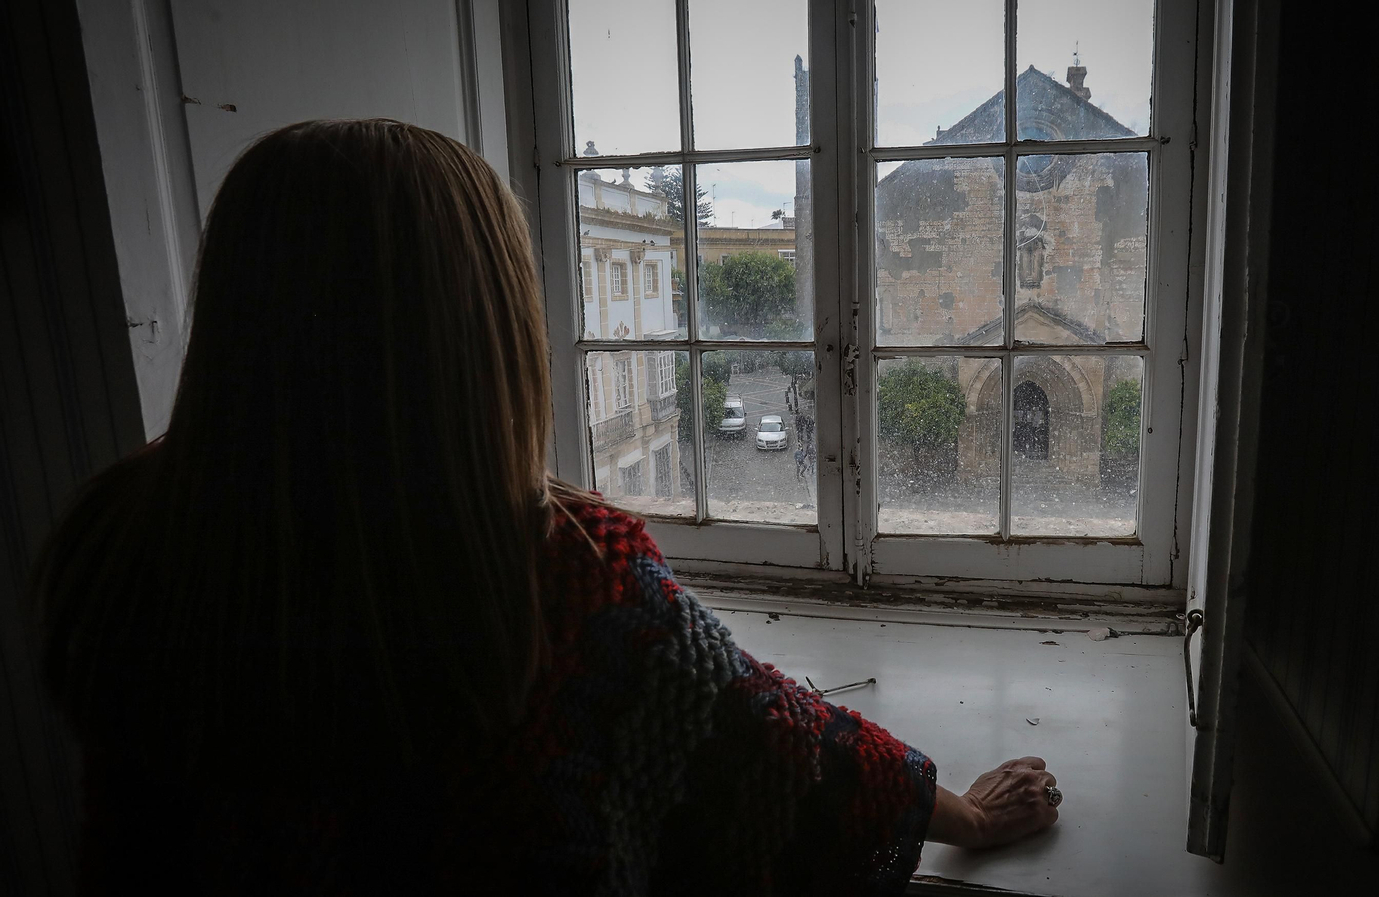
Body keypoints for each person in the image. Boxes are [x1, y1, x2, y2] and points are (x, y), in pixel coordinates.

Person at [30, 120, 1060, 895]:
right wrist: (961, 811)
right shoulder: (549, 575)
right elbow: (790, 756)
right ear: (485, 336)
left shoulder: (120, 534)